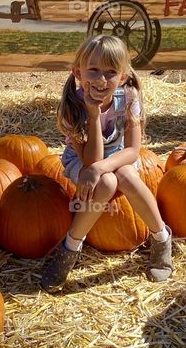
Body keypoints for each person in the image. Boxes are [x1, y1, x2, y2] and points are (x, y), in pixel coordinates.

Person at [40, 35, 173, 292]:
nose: (101, 80)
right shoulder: (73, 107)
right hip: (82, 159)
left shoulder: (129, 97)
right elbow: (90, 161)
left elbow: (133, 151)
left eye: (111, 72)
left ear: (123, 77)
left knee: (125, 176)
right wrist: (93, 113)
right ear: (78, 72)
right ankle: (70, 248)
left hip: (118, 156)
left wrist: (101, 168)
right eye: (93, 70)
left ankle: (161, 238)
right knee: (107, 182)